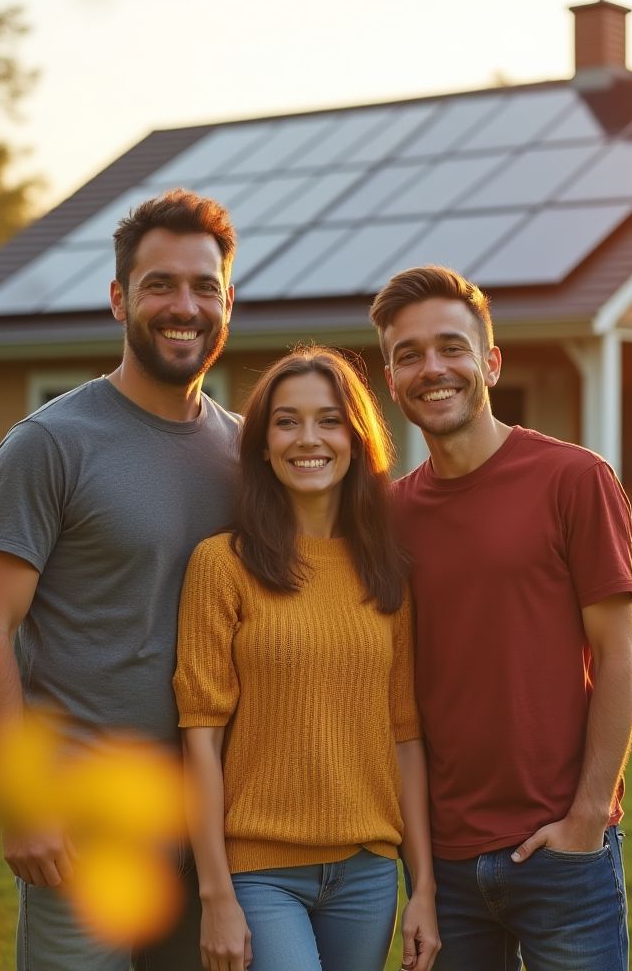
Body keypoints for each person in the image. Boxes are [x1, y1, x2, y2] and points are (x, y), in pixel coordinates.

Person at [0, 188, 241, 970]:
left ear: (228, 302)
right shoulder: (50, 444)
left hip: (213, 823)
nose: (183, 306)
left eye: (203, 287)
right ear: (119, 298)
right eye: (159, 285)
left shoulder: (249, 455)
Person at [369, 265, 632, 971]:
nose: (433, 368)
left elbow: (617, 654)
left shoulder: (574, 480)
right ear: (392, 379)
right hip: (447, 867)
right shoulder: (389, 516)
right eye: (409, 354)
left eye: (452, 347)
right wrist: (422, 869)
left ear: (490, 361)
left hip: (563, 854)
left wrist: (586, 819)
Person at [174, 346, 441, 971]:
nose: (308, 438)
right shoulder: (222, 565)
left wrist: (421, 886)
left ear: (356, 440)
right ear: (263, 446)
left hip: (367, 873)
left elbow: (404, 736)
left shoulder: (385, 572)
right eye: (286, 421)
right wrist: (215, 895)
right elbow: (200, 740)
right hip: (261, 875)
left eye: (328, 420)